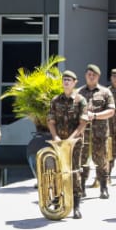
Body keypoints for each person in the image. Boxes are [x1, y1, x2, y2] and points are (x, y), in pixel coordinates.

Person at [46, 69, 89, 219]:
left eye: (69, 79)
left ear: (75, 82)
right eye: (64, 79)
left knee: (74, 171)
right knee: (57, 170)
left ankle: (76, 205)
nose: (66, 81)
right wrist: (56, 137)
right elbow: (51, 121)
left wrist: (70, 139)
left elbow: (83, 122)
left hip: (74, 142)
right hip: (59, 142)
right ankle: (58, 199)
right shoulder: (55, 100)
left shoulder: (80, 100)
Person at [76, 64, 115, 199]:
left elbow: (111, 111)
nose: (91, 77)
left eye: (94, 75)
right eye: (89, 74)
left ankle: (103, 187)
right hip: (83, 133)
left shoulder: (105, 92)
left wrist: (96, 116)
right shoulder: (78, 93)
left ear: (98, 76)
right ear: (85, 76)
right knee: (82, 160)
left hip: (100, 133)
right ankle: (81, 187)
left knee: (102, 161)